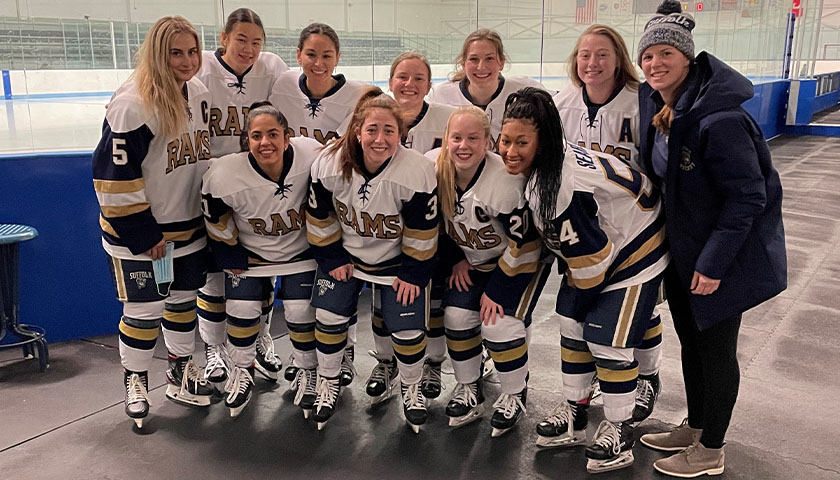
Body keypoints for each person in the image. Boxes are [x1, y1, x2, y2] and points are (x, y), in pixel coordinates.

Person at [635, 1, 786, 476]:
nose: (655, 64)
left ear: (687, 58)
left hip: (721, 260)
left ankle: (711, 449)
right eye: (648, 57)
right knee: (692, 343)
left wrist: (714, 263)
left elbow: (747, 197)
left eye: (665, 54)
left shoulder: (719, 119)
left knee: (717, 352)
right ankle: (696, 425)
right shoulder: (669, 108)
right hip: (683, 254)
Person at [499, 87, 669, 473]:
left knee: (606, 338)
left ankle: (621, 424)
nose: (510, 150)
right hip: (609, 241)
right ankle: (576, 410)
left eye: (522, 142)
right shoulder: (546, 168)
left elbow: (593, 262)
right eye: (505, 140)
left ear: (543, 141)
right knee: (573, 324)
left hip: (636, 244)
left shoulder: (560, 184)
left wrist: (581, 293)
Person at [92, 16, 214, 428]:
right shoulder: (134, 104)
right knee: (144, 310)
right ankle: (136, 379)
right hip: (148, 237)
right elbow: (113, 178)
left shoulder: (196, 90)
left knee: (182, 304)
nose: (186, 60)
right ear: (156, 53)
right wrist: (144, 233)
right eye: (175, 52)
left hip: (188, 231)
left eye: (192, 51)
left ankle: (180, 372)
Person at [306, 88, 438, 433]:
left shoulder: (417, 171)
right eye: (372, 130)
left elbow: (423, 230)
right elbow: (318, 215)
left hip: (397, 261)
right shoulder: (330, 164)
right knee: (328, 315)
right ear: (357, 131)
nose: (380, 139)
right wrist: (331, 255)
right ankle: (329, 380)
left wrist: (413, 274)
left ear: (401, 134)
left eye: (389, 131)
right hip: (347, 255)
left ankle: (411, 386)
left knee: (407, 328)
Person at [552, 24, 664, 425]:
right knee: (582, 315)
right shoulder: (561, 104)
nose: (592, 63)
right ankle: (581, 401)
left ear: (619, 59)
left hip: (638, 227)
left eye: (602, 54)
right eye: (585, 54)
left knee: (640, 307)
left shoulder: (643, 102)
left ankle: (648, 376)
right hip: (586, 231)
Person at [201, 102, 322, 417]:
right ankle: (242, 370)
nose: (264, 142)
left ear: (287, 138)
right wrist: (229, 249)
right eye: (256, 136)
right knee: (241, 308)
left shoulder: (311, 154)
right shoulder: (226, 172)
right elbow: (213, 212)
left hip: (300, 253)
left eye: (272, 134)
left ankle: (309, 372)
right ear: (247, 141)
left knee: (298, 310)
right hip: (252, 255)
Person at [434, 106, 546, 437]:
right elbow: (436, 228)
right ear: (446, 140)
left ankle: (514, 392)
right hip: (477, 260)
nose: (463, 146)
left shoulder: (506, 181)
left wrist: (497, 290)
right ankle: (469, 387)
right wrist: (456, 256)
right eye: (456, 138)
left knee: (497, 325)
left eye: (473, 138)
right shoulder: (436, 170)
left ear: (488, 142)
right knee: (455, 317)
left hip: (520, 261)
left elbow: (526, 244)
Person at [195, 7, 289, 389]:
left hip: (254, 186)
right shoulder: (199, 65)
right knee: (215, 278)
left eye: (256, 42)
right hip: (207, 185)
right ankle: (214, 348)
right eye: (241, 40)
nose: (249, 49)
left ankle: (260, 335)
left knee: (257, 272)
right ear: (223, 38)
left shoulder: (272, 67)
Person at [269, 23, 368, 386]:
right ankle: (302, 354)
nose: (318, 61)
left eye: (327, 55)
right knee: (299, 292)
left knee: (339, 279)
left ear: (338, 58)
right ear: (298, 56)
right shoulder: (282, 86)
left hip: (335, 202)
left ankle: (347, 350)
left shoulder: (360, 94)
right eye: (311, 54)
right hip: (291, 201)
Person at [362, 52, 455, 403]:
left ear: (430, 85)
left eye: (418, 78)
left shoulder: (447, 120)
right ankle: (386, 363)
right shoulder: (375, 119)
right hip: (383, 233)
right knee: (383, 303)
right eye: (402, 77)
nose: (409, 84)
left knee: (433, 306)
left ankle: (432, 362)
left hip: (436, 230)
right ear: (390, 82)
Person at [428, 28, 545, 147]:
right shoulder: (441, 95)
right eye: (474, 59)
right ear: (463, 64)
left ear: (502, 62)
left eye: (489, 58)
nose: (481, 67)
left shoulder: (524, 92)